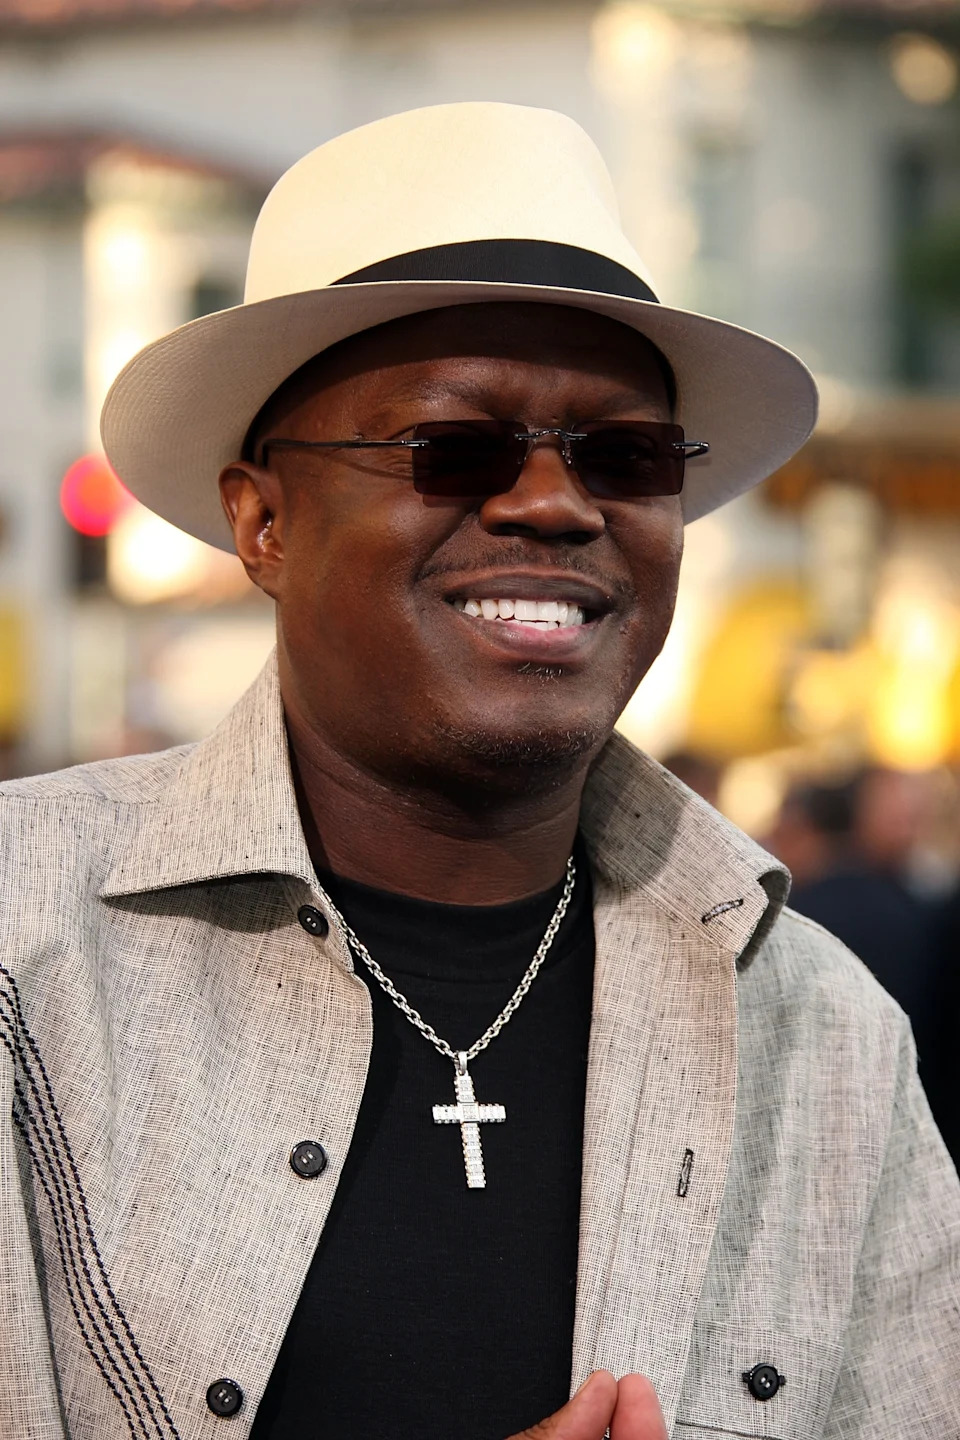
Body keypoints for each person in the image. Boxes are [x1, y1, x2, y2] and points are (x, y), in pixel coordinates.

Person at [2, 103, 958, 1440]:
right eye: (454, 448)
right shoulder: (23, 941)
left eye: (625, 457)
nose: (556, 503)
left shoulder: (823, 1038)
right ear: (263, 521)